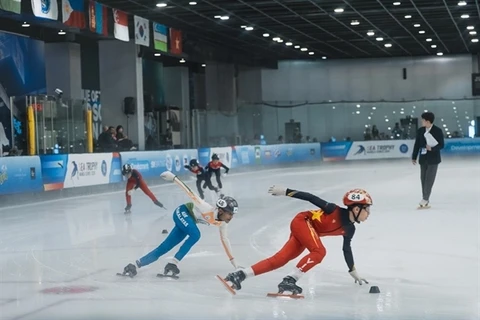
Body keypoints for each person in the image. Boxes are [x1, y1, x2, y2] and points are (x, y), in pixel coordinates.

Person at [221, 186, 372, 295]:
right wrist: (285, 191)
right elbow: (310, 197)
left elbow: (346, 249)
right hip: (302, 221)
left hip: (308, 232)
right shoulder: (334, 210)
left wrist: (353, 271)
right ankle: (290, 280)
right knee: (319, 251)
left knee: (279, 260)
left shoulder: (350, 229)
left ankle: (240, 275)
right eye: (367, 209)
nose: (369, 213)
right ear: (356, 209)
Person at [121, 171, 240, 278]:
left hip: (188, 222)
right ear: (221, 211)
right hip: (182, 212)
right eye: (230, 214)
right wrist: (173, 177)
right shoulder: (204, 207)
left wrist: (234, 262)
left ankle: (135, 265)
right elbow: (189, 191)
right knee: (196, 234)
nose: (231, 217)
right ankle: (173, 263)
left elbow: (225, 240)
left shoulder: (222, 223)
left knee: (164, 247)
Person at [411, 111, 444, 209]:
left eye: (423, 120)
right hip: (423, 158)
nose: (422, 122)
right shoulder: (420, 131)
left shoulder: (437, 131)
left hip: (434, 159)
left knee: (429, 179)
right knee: (423, 179)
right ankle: (425, 198)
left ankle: (425, 198)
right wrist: (414, 156)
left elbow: (441, 145)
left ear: (428, 121)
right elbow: (417, 144)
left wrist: (432, 148)